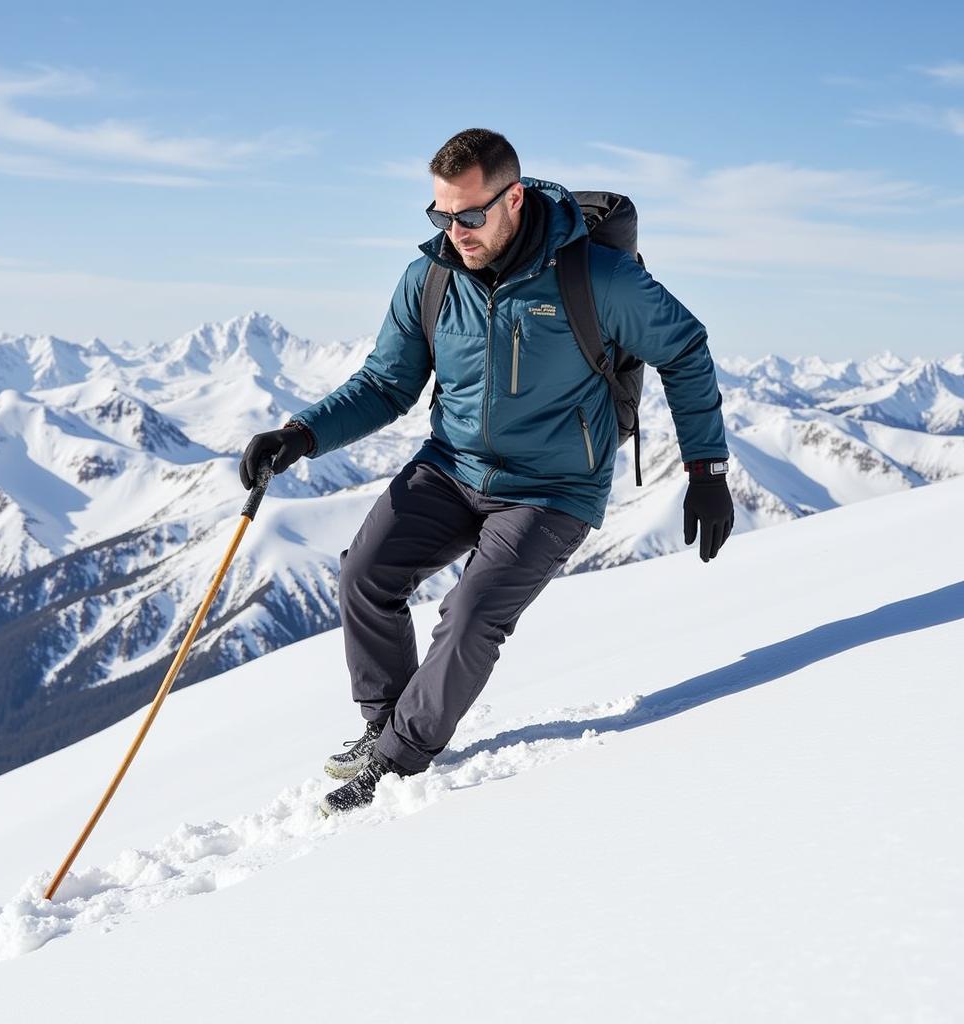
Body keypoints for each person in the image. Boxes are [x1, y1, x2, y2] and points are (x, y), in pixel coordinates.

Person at [239, 128, 733, 816]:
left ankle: (398, 761)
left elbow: (684, 348)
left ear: (515, 200)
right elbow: (387, 382)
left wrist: (706, 469)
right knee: (364, 575)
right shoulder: (432, 277)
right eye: (440, 214)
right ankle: (385, 724)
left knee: (469, 616)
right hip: (451, 466)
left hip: (553, 488)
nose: (454, 231)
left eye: (469, 215)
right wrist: (301, 434)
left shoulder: (597, 277)